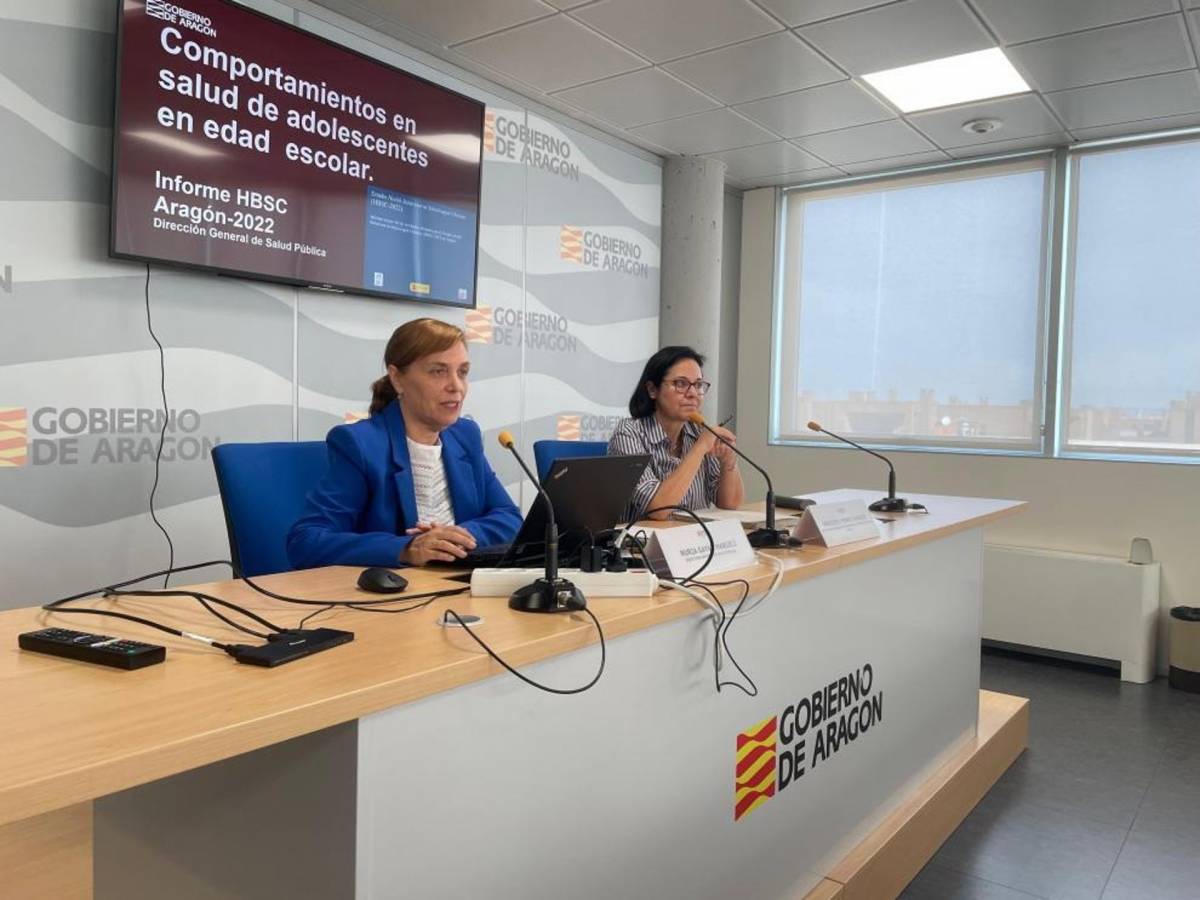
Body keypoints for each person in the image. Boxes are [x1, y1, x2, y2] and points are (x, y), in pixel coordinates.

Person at [287, 317, 521, 569]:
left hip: (457, 582)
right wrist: (407, 548)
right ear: (397, 379)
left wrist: (454, 537)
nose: (456, 386)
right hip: (394, 589)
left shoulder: (465, 436)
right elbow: (306, 542)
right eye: (438, 371)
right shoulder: (361, 445)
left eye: (462, 372)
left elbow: (510, 519)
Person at [607, 346, 744, 522]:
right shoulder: (628, 434)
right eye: (681, 384)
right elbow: (658, 510)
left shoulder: (698, 433)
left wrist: (729, 462)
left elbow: (730, 504)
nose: (693, 394)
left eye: (698, 385)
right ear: (652, 390)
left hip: (694, 537)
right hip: (643, 539)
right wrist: (700, 448)